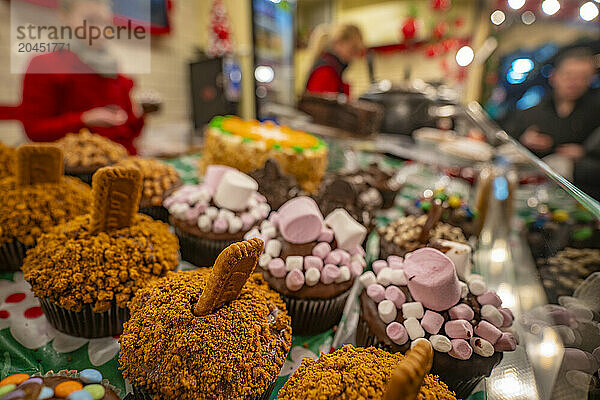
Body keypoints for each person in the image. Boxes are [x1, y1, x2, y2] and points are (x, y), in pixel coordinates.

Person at [20, 0, 145, 154]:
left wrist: (144, 113)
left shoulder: (115, 72)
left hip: (122, 162)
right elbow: (35, 130)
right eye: (90, 20)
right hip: (73, 167)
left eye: (105, 22)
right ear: (65, 17)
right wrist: (84, 119)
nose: (100, 29)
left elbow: (129, 132)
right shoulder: (45, 64)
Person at [506, 47, 600, 161]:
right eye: (569, 75)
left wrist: (585, 152)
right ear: (553, 77)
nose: (575, 82)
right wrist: (524, 140)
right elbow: (505, 136)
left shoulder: (595, 112)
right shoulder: (532, 112)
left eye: (583, 77)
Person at [305, 24, 365, 97]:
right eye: (353, 48)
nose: (356, 55)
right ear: (339, 43)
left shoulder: (334, 68)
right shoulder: (326, 72)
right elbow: (319, 106)